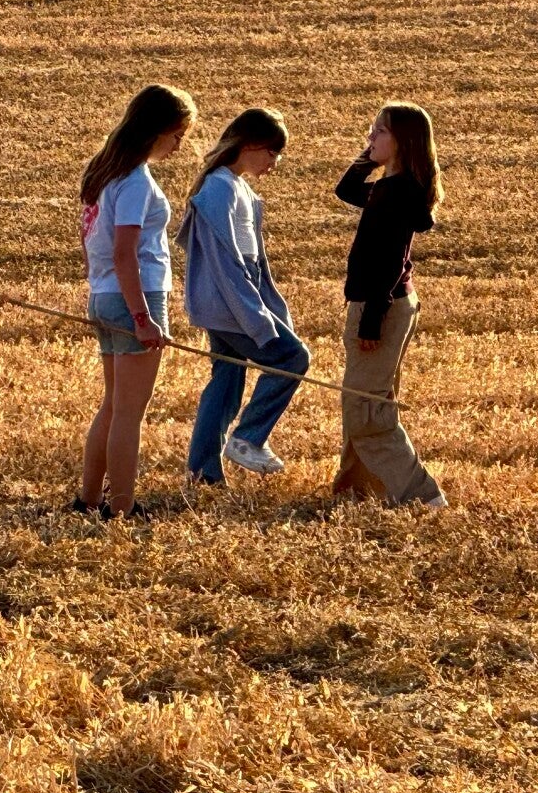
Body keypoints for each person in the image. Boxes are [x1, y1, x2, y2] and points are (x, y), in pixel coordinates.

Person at [74, 84, 196, 519]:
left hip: (104, 295)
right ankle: (122, 508)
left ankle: (90, 499)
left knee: (112, 405)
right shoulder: (136, 182)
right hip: (135, 297)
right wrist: (143, 317)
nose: (179, 145)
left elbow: (90, 243)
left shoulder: (104, 172)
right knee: (129, 412)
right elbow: (125, 252)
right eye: (177, 135)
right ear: (156, 130)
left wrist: (99, 283)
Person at [178, 108, 310, 485]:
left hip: (230, 305)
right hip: (232, 306)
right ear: (251, 144)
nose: (275, 162)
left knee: (226, 382)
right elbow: (226, 265)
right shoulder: (220, 187)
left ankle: (203, 473)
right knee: (293, 357)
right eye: (272, 152)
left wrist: (268, 308)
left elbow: (253, 266)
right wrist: (255, 318)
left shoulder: (238, 188)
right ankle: (248, 438)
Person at [332, 104, 447, 508]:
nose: (370, 137)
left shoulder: (396, 193)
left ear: (403, 141)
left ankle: (422, 495)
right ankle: (358, 491)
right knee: (364, 401)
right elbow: (346, 190)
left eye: (379, 132)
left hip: (380, 306)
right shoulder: (393, 188)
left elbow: (389, 262)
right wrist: (370, 156)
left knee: (367, 412)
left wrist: (371, 319)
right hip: (392, 303)